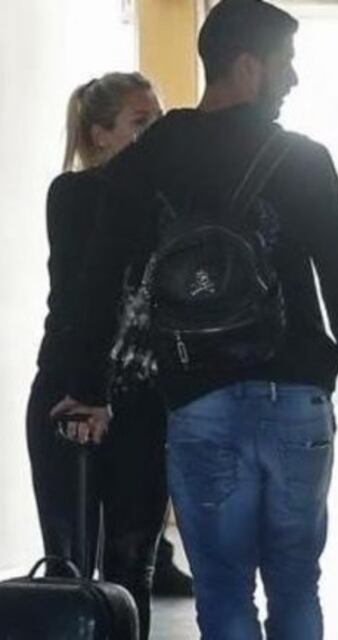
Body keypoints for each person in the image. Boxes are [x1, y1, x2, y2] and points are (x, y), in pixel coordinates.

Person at [53, 1, 338, 638]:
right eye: (285, 63)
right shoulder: (301, 156)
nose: (292, 79)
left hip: (198, 398)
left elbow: (97, 284)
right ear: (248, 66)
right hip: (297, 398)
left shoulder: (145, 158)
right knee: (296, 582)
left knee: (220, 586)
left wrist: (88, 387)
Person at [25, 71, 169, 639]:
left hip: (144, 397)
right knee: (69, 564)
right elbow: (83, 299)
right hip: (73, 391)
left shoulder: (168, 200)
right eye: (141, 122)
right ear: (100, 134)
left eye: (158, 119)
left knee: (134, 562)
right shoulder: (76, 194)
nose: (155, 134)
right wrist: (90, 391)